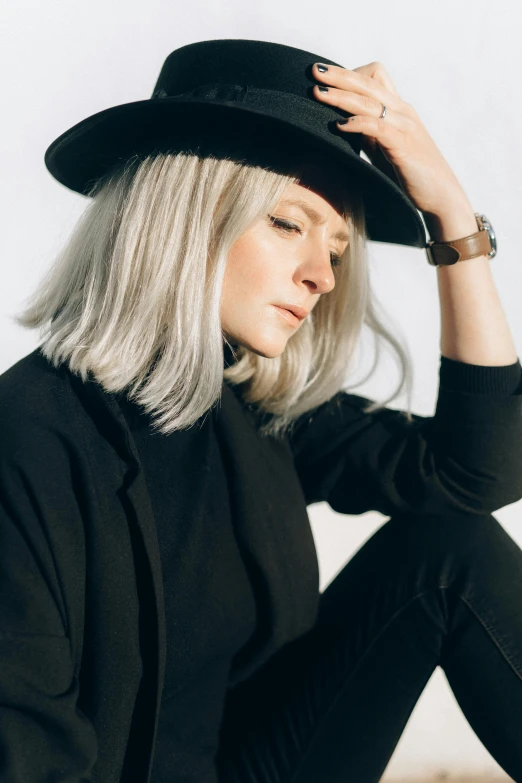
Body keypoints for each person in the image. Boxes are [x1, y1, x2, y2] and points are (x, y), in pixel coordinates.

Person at [1, 38, 522, 783]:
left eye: (338, 250)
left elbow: (478, 471)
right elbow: (28, 754)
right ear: (185, 212)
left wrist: (453, 220)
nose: (320, 275)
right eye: (287, 224)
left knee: (452, 552)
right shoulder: (31, 436)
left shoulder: (254, 407)